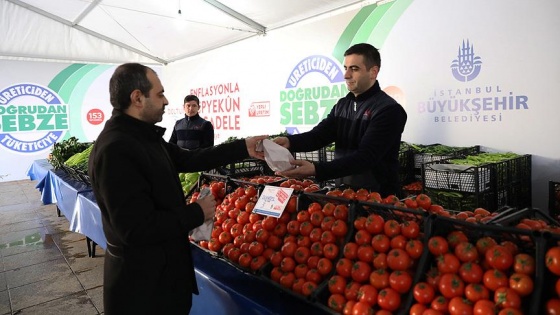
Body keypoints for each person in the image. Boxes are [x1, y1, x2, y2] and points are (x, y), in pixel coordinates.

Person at [88, 63, 266, 314]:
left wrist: (243, 147)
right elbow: (136, 229)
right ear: (137, 98)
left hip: (162, 279)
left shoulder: (142, 136)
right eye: (160, 94)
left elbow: (189, 159)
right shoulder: (117, 149)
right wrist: (196, 212)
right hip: (143, 291)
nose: (166, 100)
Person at [274, 43, 407, 197]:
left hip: (378, 198)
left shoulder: (389, 110)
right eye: (346, 68)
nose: (346, 75)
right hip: (345, 195)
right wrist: (289, 142)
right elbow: (319, 136)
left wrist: (317, 169)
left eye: (354, 69)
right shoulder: (342, 105)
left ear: (373, 72)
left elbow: (366, 157)